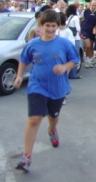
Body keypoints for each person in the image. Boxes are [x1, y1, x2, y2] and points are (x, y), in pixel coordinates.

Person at [13, 10, 79, 172]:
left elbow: (75, 60)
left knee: (53, 116)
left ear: (57, 26)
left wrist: (65, 67)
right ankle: (26, 157)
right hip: (37, 85)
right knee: (34, 119)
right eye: (47, 25)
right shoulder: (33, 44)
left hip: (57, 88)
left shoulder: (64, 44)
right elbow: (23, 60)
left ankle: (52, 130)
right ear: (41, 26)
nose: (50, 29)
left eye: (53, 26)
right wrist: (19, 76)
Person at [80, 0, 96, 68]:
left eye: (95, 5)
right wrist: (81, 28)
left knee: (91, 46)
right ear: (90, 5)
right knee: (87, 45)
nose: (94, 6)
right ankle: (87, 60)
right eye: (93, 5)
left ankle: (90, 59)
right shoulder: (85, 11)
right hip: (85, 30)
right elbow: (81, 19)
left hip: (92, 31)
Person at [65, 4, 81, 79]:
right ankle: (73, 74)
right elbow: (78, 29)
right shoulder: (75, 17)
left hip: (68, 38)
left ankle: (67, 73)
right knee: (75, 56)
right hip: (75, 38)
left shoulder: (67, 18)